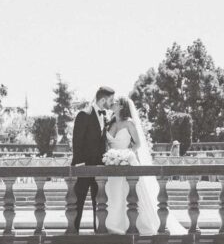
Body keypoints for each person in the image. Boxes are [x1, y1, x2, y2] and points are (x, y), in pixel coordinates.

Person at [103, 97, 187, 235]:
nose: (112, 103)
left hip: (126, 163)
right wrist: (110, 156)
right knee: (114, 194)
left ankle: (133, 225)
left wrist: (124, 155)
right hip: (112, 164)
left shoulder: (129, 123)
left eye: (116, 102)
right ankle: (113, 225)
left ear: (122, 106)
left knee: (129, 194)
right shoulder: (110, 122)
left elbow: (138, 144)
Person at [70, 86, 114, 233]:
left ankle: (98, 230)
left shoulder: (106, 116)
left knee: (99, 201)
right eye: (110, 100)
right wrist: (80, 166)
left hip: (99, 169)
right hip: (84, 167)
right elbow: (77, 142)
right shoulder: (84, 114)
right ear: (103, 99)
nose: (112, 103)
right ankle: (73, 231)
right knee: (78, 200)